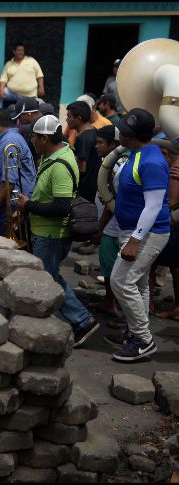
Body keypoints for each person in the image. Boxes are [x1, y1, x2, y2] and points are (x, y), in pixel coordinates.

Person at [17, 115, 99, 347]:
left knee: (50, 278)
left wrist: (28, 205)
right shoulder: (52, 155)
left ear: (44, 138)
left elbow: (62, 207)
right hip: (45, 232)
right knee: (50, 275)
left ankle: (82, 320)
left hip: (52, 234)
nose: (31, 140)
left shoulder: (61, 165)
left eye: (34, 137)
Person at [101, 109, 171, 361]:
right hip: (132, 230)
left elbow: (153, 206)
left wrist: (135, 239)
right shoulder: (139, 153)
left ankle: (143, 339)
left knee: (121, 281)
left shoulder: (151, 161)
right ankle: (135, 332)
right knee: (138, 284)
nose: (119, 132)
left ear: (130, 136)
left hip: (148, 234)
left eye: (123, 130)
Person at [91, 125, 127, 320]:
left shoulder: (115, 166)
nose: (96, 146)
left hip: (112, 227)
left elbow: (111, 202)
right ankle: (109, 302)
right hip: (110, 226)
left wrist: (100, 227)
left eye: (100, 143)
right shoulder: (111, 162)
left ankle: (112, 305)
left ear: (113, 145)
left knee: (110, 267)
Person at [0, 108, 36, 237]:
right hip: (11, 203)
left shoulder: (9, 142)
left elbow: (9, 181)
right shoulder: (10, 138)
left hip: (11, 206)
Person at [153, 140, 179, 322]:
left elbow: (172, 202)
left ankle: (176, 309)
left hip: (173, 223)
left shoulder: (175, 169)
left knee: (174, 265)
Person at [65, 100, 102, 203]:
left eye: (69, 116)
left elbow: (82, 168)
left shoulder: (83, 138)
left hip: (84, 191)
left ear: (79, 119)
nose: (67, 119)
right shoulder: (94, 131)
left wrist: (69, 152)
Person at [0, 42, 45, 109]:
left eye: (22, 50)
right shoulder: (9, 64)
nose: (21, 52)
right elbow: (3, 79)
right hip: (13, 93)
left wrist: (41, 88)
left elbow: (39, 76)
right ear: (14, 51)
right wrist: (1, 90)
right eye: (19, 50)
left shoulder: (31, 61)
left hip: (29, 95)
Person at [13, 96, 42, 163]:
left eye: (19, 117)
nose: (19, 120)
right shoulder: (39, 123)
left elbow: (39, 159)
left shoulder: (38, 127)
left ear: (29, 114)